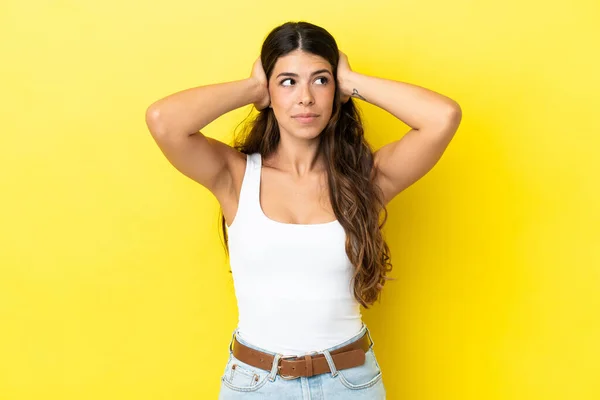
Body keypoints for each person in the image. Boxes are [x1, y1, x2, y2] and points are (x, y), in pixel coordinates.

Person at [145, 21, 461, 399]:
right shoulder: (236, 177)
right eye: (288, 81)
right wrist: (251, 88)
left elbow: (443, 117)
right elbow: (163, 121)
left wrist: (350, 79)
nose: (306, 97)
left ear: (336, 91)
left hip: (351, 384)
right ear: (269, 91)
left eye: (320, 80)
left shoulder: (365, 180)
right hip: (257, 385)